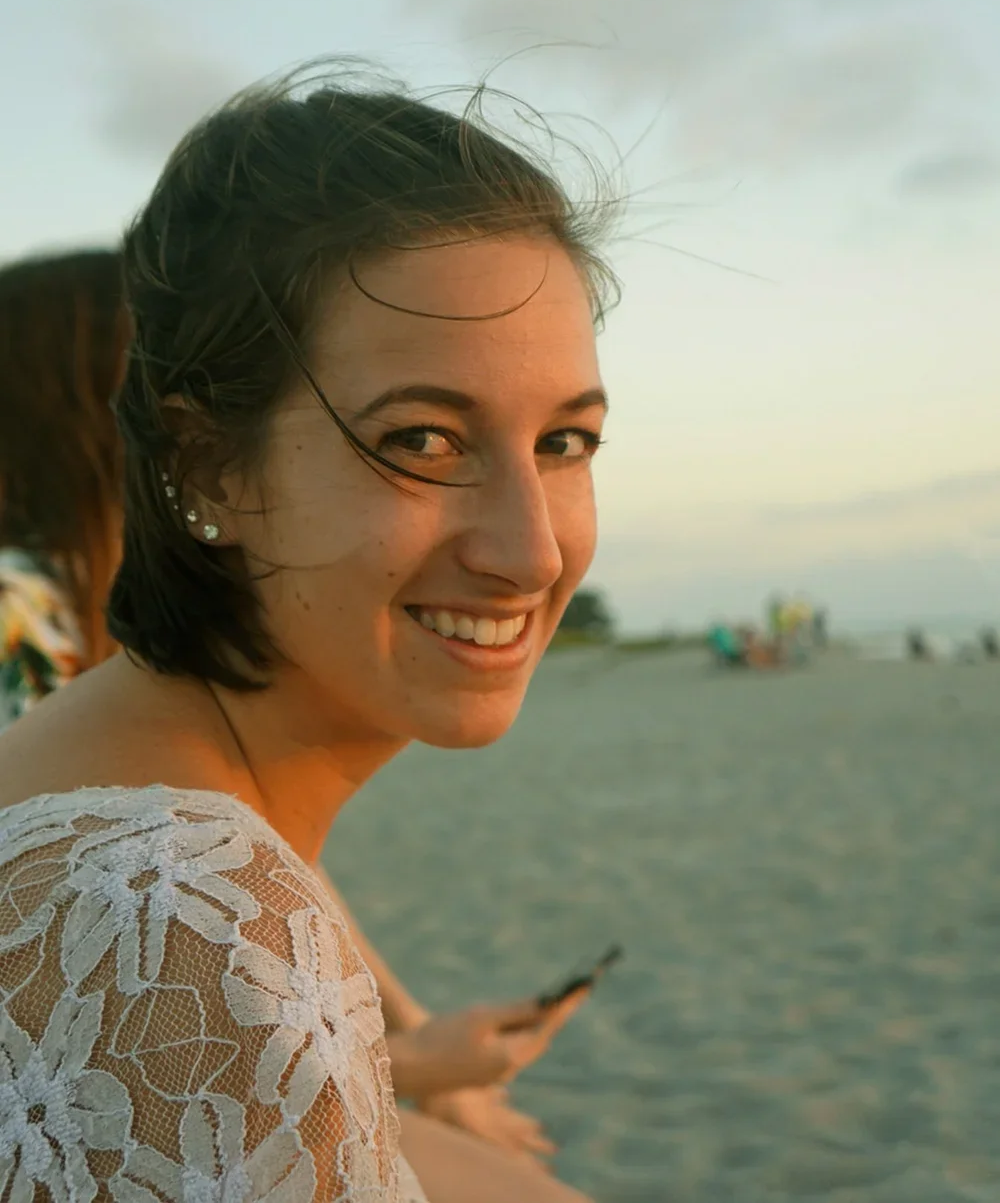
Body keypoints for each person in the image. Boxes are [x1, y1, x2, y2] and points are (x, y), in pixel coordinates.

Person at [0, 63, 618, 1201]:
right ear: (206, 465)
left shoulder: (118, 781)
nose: (531, 551)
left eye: (564, 442)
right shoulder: (188, 919)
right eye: (423, 439)